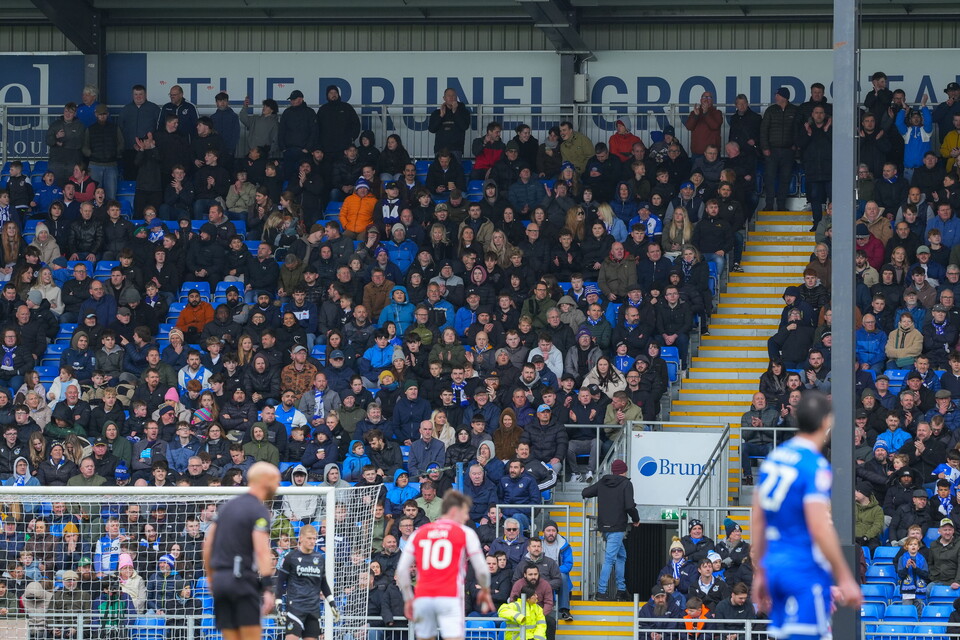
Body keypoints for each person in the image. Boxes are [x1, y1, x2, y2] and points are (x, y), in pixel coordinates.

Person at [750, 392, 862, 639]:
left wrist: (761, 572)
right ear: (827, 422)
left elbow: (757, 517)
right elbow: (820, 525)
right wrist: (845, 577)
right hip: (803, 569)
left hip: (775, 567)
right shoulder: (814, 465)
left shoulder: (774, 458)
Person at [396, 490, 493, 640]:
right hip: (449, 595)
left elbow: (402, 570)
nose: (467, 517)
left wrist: (408, 598)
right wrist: (485, 589)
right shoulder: (464, 532)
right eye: (465, 512)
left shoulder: (419, 532)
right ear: (454, 511)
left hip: (423, 596)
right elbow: (481, 568)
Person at [202, 462, 282, 640]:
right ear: (265, 481)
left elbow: (207, 545)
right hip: (241, 581)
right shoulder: (258, 510)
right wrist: (268, 588)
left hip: (221, 582)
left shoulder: (228, 507)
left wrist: (211, 577)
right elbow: (261, 550)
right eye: (276, 481)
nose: (278, 487)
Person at [580, 459, 638, 601]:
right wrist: (636, 519)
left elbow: (585, 492)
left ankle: (621, 590)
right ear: (624, 471)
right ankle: (601, 592)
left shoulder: (602, 482)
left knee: (621, 556)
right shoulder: (626, 484)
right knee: (610, 559)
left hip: (604, 527)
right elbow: (630, 506)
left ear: (613, 471)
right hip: (618, 527)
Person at [276, 525, 338, 640]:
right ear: (301, 538)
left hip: (313, 609)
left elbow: (323, 583)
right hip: (295, 608)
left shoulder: (319, 558)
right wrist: (279, 603)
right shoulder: (291, 557)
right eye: (309, 538)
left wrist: (332, 603)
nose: (312, 541)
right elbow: (280, 581)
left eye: (314, 538)